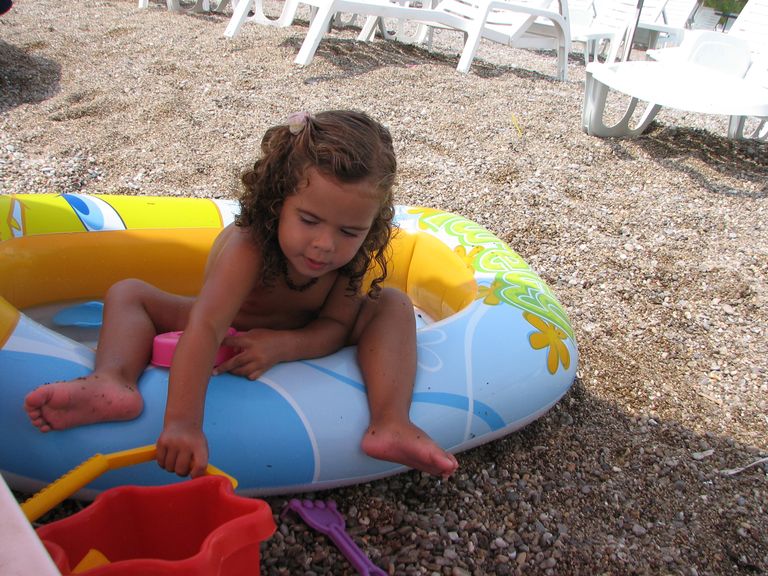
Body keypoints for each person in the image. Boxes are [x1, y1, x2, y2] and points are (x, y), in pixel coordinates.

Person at [24, 110, 459, 480]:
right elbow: (206, 327)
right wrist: (182, 424)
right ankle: (113, 381)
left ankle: (390, 423)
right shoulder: (250, 246)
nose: (325, 245)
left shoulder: (353, 255)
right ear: (277, 202)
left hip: (296, 331)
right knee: (129, 293)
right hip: (229, 324)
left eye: (349, 231)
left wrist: (286, 345)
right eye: (309, 221)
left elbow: (335, 326)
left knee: (393, 303)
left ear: (371, 224)